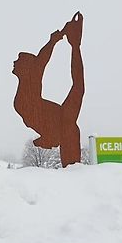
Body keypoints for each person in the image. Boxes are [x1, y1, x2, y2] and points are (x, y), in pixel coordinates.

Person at [12, 12, 84, 167]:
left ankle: (75, 44)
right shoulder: (27, 84)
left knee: (78, 88)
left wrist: (54, 41)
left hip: (63, 122)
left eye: (19, 59)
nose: (15, 61)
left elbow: (41, 59)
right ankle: (50, 136)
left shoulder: (32, 78)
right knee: (78, 87)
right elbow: (40, 59)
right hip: (54, 124)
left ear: (28, 67)